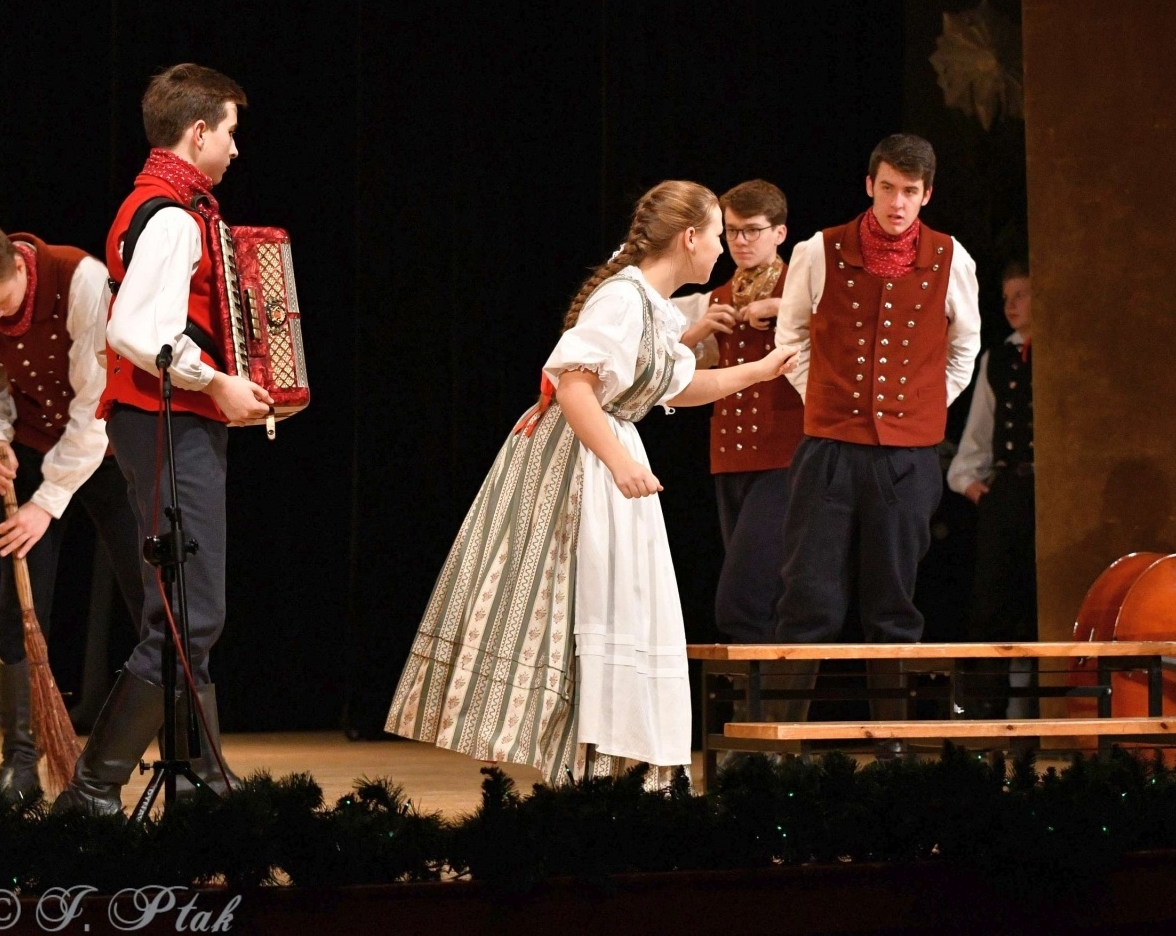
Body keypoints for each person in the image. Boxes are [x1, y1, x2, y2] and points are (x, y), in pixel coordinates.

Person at [386, 181, 797, 786]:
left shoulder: (655, 306)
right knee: (577, 606)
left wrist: (759, 371)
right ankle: (584, 763)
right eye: (715, 234)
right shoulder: (624, 298)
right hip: (581, 462)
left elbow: (675, 387)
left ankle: (606, 766)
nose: (721, 249)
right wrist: (617, 461)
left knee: (622, 605)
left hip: (608, 451)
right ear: (689, 238)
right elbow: (575, 382)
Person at [54, 63, 274, 815]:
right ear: (200, 130)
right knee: (187, 613)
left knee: (185, 610)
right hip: (164, 422)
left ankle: (206, 794)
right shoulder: (174, 214)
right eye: (232, 133)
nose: (237, 151)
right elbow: (139, 331)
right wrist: (218, 383)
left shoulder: (163, 203)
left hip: (164, 423)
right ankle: (91, 792)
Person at [771, 134, 980, 739]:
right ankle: (782, 744)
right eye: (887, 188)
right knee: (808, 597)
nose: (896, 203)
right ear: (869, 185)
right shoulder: (820, 250)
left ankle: (891, 743)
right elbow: (792, 339)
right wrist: (825, 400)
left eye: (909, 192)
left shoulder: (950, 257)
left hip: (907, 459)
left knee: (893, 602)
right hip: (829, 451)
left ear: (926, 195)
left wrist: (925, 407)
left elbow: (964, 346)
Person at [0, 222, 146, 799]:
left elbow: (94, 407)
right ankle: (20, 764)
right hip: (35, 446)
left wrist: (46, 503)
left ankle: (149, 759)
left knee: (151, 598)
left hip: (108, 446)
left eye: (1, 305)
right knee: (17, 603)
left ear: (20, 268)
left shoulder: (82, 280)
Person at [673, 180, 803, 643]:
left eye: (752, 231)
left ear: (779, 233)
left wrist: (785, 307)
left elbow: (847, 322)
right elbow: (661, 364)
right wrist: (699, 330)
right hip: (729, 455)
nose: (740, 242)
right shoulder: (716, 296)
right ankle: (761, 707)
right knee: (758, 597)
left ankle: (763, 707)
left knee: (743, 599)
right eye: (731, 232)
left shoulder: (801, 287)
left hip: (784, 458)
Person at [947, 260, 1035, 716]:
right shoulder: (997, 358)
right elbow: (977, 437)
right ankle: (988, 721)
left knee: (1036, 605)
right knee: (992, 606)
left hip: (1050, 497)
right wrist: (973, 486)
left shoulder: (1063, 354)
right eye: (1006, 298)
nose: (1010, 306)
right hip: (1009, 493)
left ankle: (1038, 719)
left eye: (1020, 295)